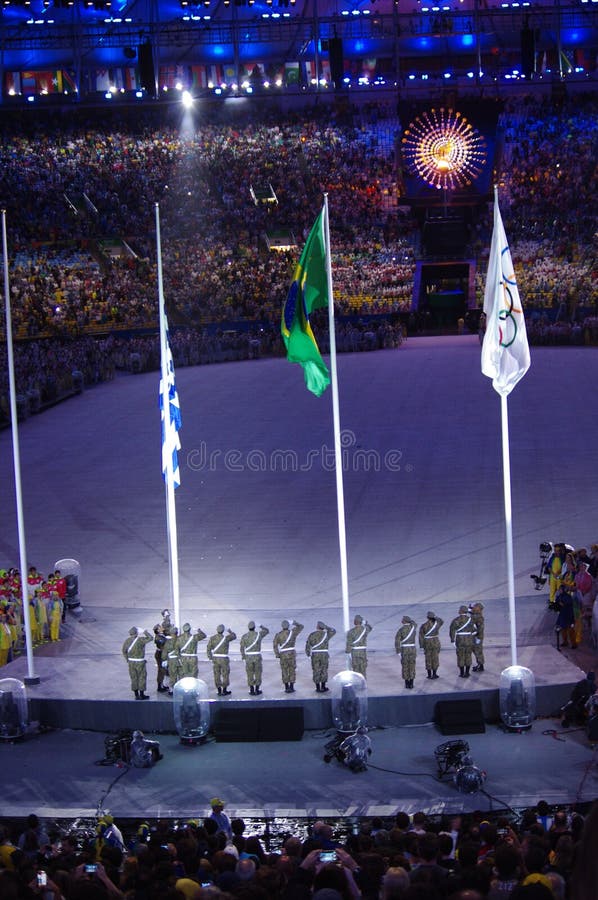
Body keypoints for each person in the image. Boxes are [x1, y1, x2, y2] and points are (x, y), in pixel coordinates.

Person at [121, 626, 153, 700]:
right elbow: (151, 638)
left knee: (134, 677)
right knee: (142, 677)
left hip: (131, 662)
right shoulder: (140, 640)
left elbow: (124, 651)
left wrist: (127, 660)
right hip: (140, 662)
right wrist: (145, 631)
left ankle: (136, 694)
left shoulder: (127, 641)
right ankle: (142, 694)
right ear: (137, 633)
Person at [273, 618, 304, 693]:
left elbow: (275, 645)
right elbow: (301, 626)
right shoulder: (293, 632)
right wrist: (294, 622)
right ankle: (292, 687)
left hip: (283, 654)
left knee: (284, 670)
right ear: (288, 626)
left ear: (282, 626)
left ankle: (286, 687)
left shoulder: (278, 635)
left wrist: (277, 654)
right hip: (291, 654)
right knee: (292, 670)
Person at [239, 620, 269, 695]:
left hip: (248, 657)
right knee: (258, 672)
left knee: (250, 673)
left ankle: (251, 689)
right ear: (254, 627)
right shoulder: (258, 634)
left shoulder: (244, 636)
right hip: (257, 656)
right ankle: (257, 689)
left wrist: (243, 656)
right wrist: (261, 625)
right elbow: (267, 631)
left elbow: (242, 648)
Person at [306, 621, 337, 693]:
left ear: (317, 627)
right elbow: (333, 631)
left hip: (315, 654)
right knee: (324, 669)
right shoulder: (326, 635)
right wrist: (326, 627)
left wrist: (308, 653)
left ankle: (317, 687)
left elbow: (308, 645)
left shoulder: (312, 635)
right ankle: (323, 686)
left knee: (316, 669)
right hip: (324, 654)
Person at [206, 624, 236, 695]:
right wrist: (230, 631)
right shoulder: (226, 638)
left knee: (217, 674)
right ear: (223, 631)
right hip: (224, 659)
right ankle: (224, 690)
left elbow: (208, 649)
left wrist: (210, 657)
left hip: (215, 659)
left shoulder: (212, 638)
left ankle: (219, 690)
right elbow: (234, 636)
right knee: (225, 674)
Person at [450, 605, 475, 678]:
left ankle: (461, 673)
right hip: (468, 639)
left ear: (460, 611)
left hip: (460, 639)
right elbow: (475, 630)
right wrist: (470, 635)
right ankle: (467, 673)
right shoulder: (470, 620)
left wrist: (452, 640)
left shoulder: (456, 620)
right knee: (468, 655)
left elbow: (452, 630)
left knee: (460, 656)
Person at [395, 615, 417, 689]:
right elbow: (414, 623)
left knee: (405, 666)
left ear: (404, 621)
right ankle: (411, 683)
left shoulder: (401, 630)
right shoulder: (413, 628)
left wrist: (398, 651)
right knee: (412, 665)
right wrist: (410, 621)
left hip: (404, 649)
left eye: (402, 619)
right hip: (412, 649)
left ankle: (407, 684)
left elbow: (397, 641)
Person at [419, 611, 443, 679]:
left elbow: (421, 636)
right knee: (435, 657)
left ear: (427, 617)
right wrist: (435, 617)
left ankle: (429, 675)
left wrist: (421, 645)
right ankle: (435, 674)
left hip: (427, 642)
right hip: (435, 641)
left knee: (428, 658)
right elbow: (441, 621)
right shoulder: (437, 624)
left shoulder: (424, 625)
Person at [470, 602, 485, 672]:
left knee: (478, 651)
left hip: (477, 636)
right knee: (476, 650)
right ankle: (480, 664)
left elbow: (481, 628)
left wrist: (479, 638)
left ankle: (480, 665)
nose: (471, 609)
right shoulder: (476, 615)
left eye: (473, 608)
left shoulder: (478, 617)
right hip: (475, 636)